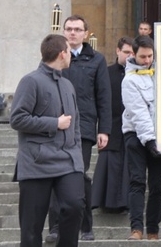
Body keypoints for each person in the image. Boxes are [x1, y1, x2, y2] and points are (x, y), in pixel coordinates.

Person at [10, 34, 84, 247]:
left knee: (74, 206)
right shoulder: (30, 81)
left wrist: (76, 156)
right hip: (36, 163)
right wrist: (54, 123)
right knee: (31, 227)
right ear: (62, 54)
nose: (70, 55)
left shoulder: (68, 85)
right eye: (69, 51)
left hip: (67, 161)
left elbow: (75, 124)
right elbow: (17, 118)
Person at [47, 15, 111, 242]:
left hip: (83, 128)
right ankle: (54, 227)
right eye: (69, 29)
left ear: (86, 33)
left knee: (78, 175)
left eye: (77, 29)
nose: (72, 33)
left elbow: (103, 96)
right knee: (55, 174)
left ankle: (86, 227)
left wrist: (104, 129)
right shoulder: (54, 58)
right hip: (55, 126)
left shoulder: (96, 60)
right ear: (63, 32)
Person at [122, 35, 161, 241]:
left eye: (150, 56)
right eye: (143, 56)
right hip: (135, 135)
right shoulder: (129, 80)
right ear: (134, 55)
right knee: (137, 182)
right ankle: (136, 229)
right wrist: (149, 141)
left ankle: (153, 230)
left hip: (160, 135)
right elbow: (138, 112)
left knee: (157, 186)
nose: (147, 60)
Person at [91, 36, 134, 213]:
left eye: (133, 53)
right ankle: (104, 201)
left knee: (128, 165)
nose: (130, 56)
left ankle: (125, 202)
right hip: (111, 124)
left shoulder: (140, 73)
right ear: (117, 51)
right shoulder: (106, 73)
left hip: (132, 126)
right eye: (126, 52)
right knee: (110, 163)